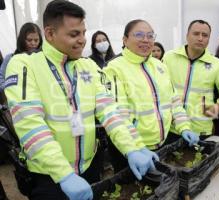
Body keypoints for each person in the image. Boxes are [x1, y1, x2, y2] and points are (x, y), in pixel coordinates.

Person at [4, 1, 156, 200]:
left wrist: (133, 147)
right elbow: (30, 125)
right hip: (49, 175)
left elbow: (110, 112)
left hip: (90, 167)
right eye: (74, 34)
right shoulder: (24, 65)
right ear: (50, 34)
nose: (83, 40)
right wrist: (64, 174)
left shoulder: (88, 66)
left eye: (84, 33)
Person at [104, 19, 199, 172]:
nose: (146, 40)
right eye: (139, 35)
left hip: (162, 144)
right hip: (131, 150)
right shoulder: (114, 69)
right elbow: (118, 115)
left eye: (150, 36)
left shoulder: (160, 65)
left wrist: (184, 127)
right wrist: (136, 148)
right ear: (125, 40)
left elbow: (174, 102)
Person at [163, 19, 219, 137]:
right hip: (171, 127)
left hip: (200, 130)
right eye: (196, 34)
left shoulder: (217, 64)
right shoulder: (169, 57)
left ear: (209, 39)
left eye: (205, 35)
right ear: (187, 35)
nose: (200, 38)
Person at [0, 22, 43, 92]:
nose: (33, 43)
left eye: (36, 40)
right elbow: (1, 78)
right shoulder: (10, 58)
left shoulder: (42, 58)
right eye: (29, 40)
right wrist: (9, 89)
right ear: (22, 40)